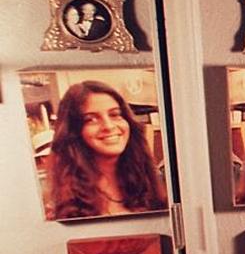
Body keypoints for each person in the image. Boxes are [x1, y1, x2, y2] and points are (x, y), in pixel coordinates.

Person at [48, 80, 168, 220]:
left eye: (115, 114)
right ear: (73, 132)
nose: (108, 126)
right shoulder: (62, 205)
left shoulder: (155, 183)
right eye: (91, 119)